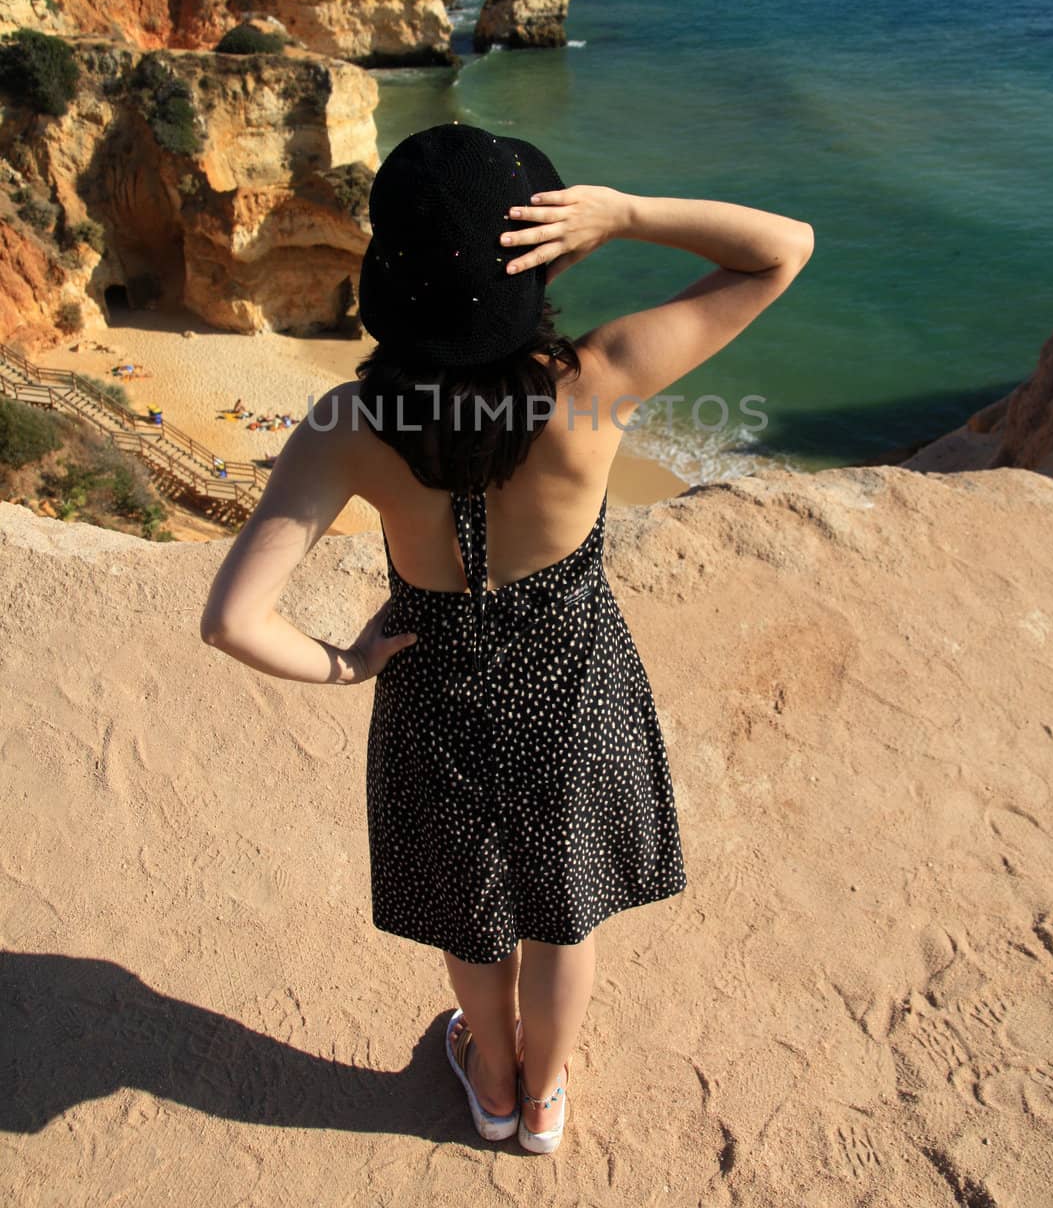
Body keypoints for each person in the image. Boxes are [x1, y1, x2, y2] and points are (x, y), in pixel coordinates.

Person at [199, 124, 814, 1153]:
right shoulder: (600, 374)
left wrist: (346, 663)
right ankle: (542, 1100)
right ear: (533, 259)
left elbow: (231, 622)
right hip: (576, 687)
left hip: (432, 698)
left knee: (471, 915)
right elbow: (781, 246)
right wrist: (621, 214)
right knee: (560, 911)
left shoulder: (347, 422)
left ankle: (489, 1077)